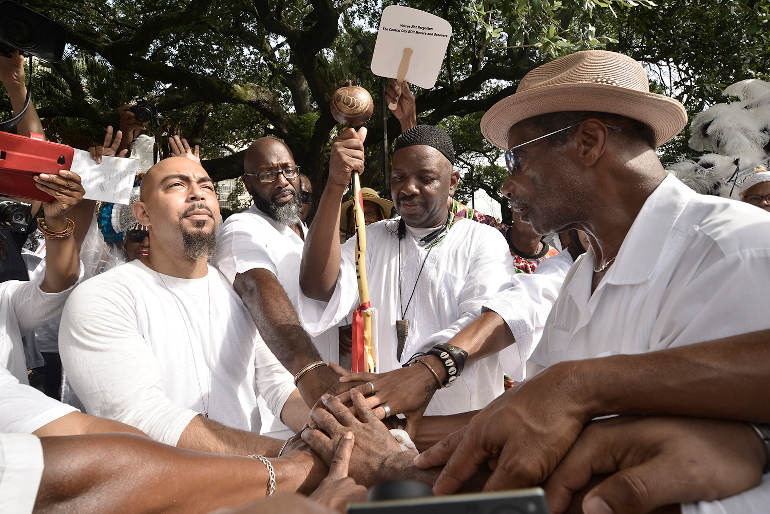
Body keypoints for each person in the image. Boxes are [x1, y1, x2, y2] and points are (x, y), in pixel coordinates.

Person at [412, 49, 770, 511]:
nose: (507, 185)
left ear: (588, 142)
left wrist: (579, 385)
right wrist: (401, 433)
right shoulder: (583, 274)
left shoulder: (733, 251)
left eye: (516, 161)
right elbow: (532, 417)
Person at [59, 157, 309, 455]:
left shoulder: (239, 292)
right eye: (177, 185)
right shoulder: (103, 297)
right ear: (143, 213)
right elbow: (143, 417)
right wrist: (285, 456)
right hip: (158, 494)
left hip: (253, 489)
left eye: (207, 187)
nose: (197, 193)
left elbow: (280, 387)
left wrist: (332, 431)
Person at [299, 124, 520, 426]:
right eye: (399, 177)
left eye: (425, 178)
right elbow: (316, 286)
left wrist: (411, 376)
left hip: (458, 428)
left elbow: (483, 322)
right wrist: (336, 185)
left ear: (452, 182)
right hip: (382, 426)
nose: (408, 188)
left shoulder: (482, 240)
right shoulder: (372, 238)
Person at [215, 138, 342, 412]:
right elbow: (256, 286)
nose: (282, 181)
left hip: (327, 393)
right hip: (281, 405)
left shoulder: (303, 231)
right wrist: (312, 373)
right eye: (268, 174)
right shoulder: (242, 227)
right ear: (248, 184)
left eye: (288, 170)